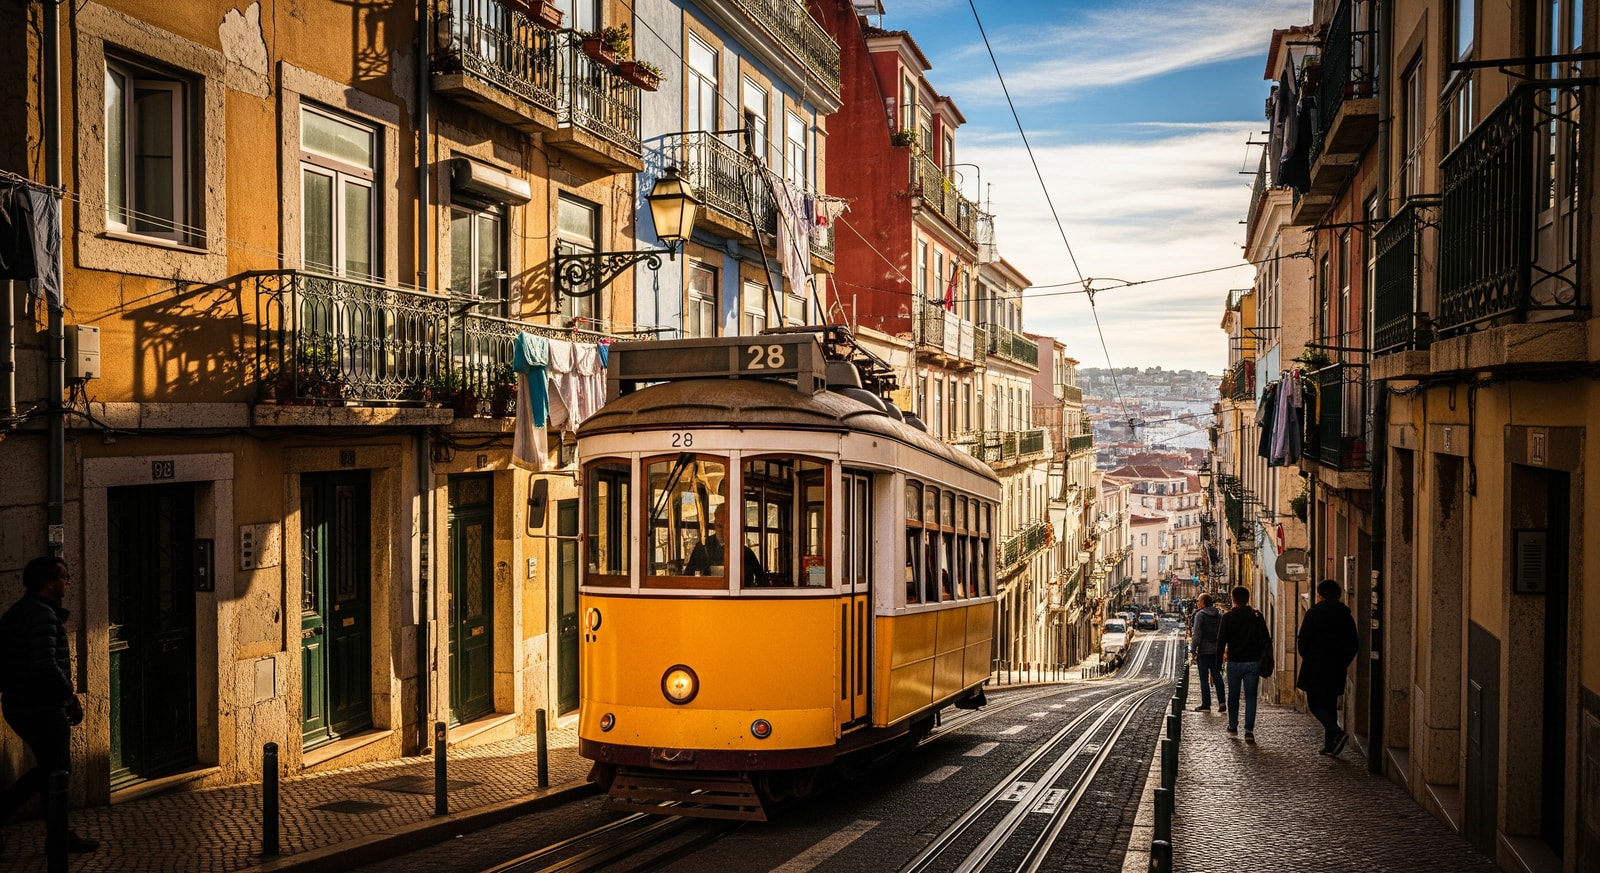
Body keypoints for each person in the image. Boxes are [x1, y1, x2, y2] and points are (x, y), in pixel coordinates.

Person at [0, 557, 98, 853]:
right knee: (56, 769)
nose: (67, 582)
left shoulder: (20, 612)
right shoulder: (42, 616)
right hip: (40, 706)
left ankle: (59, 834)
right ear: (49, 583)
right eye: (64, 578)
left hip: (21, 703)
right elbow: (45, 666)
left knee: (52, 768)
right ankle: (55, 835)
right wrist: (69, 694)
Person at [1297, 578, 1359, 755]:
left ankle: (1337, 733)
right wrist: (1343, 661)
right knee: (1330, 704)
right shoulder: (1345, 615)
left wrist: (1309, 657)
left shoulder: (1314, 613)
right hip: (1337, 666)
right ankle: (1329, 745)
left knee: (1314, 703)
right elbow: (1353, 643)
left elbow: (1303, 640)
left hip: (1315, 666)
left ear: (1321, 595)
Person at [1215, 585, 1269, 743]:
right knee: (1251, 696)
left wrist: (1217, 664)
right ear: (1248, 599)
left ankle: (1232, 725)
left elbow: (1220, 642)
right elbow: (1266, 639)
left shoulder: (1227, 617)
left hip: (1234, 662)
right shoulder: (1256, 616)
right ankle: (1248, 730)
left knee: (1233, 695)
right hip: (1252, 662)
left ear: (1233, 599)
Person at [684, 505, 765, 585]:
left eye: (726, 526)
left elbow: (761, 579)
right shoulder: (702, 548)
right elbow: (687, 576)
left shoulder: (744, 552)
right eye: (720, 526)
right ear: (715, 524)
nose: (722, 531)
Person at [1189, 593, 1226, 713]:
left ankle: (1206, 704)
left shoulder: (1200, 615)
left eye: (1199, 601)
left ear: (1204, 602)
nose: (1197, 603)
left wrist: (1193, 649)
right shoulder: (1219, 615)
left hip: (1204, 652)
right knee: (1217, 676)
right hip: (1216, 651)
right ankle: (1222, 702)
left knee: (1204, 679)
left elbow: (1197, 634)